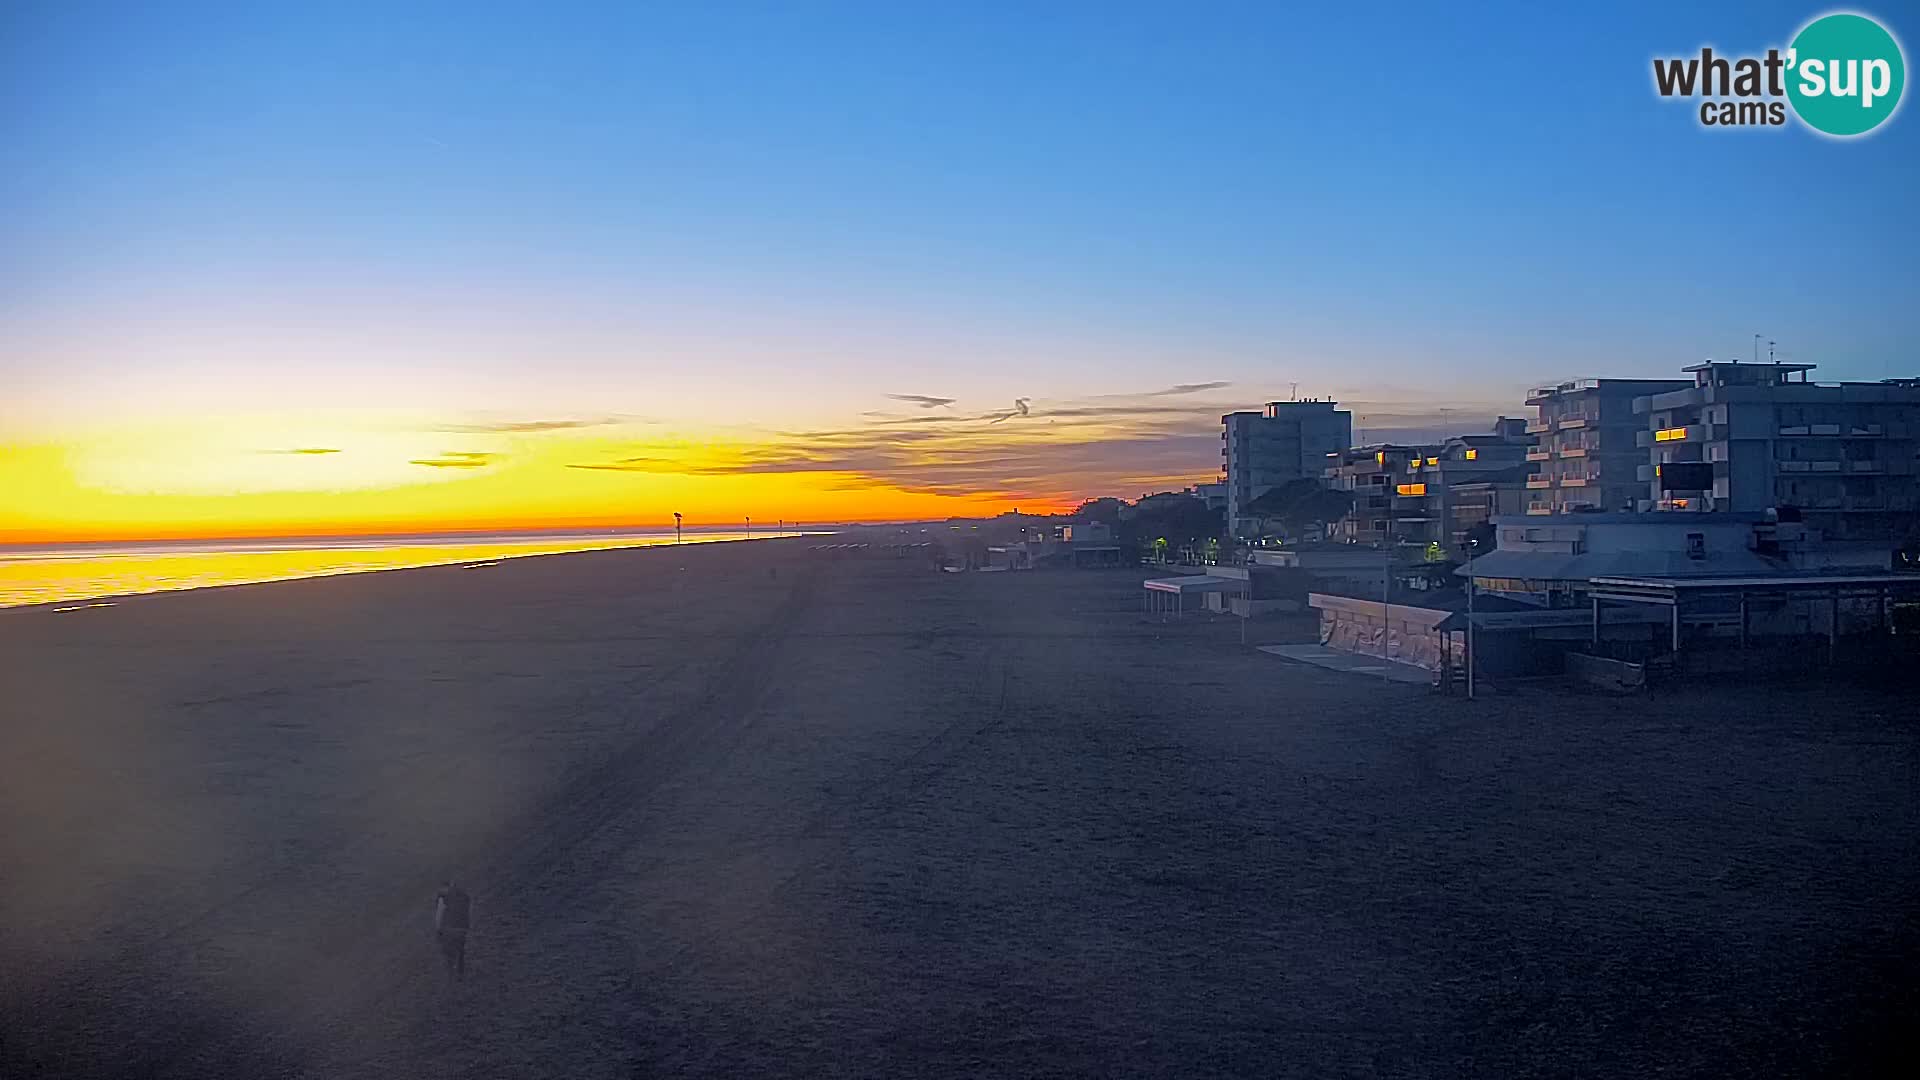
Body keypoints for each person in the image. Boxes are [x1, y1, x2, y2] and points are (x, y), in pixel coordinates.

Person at [434, 880, 471, 980]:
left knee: (448, 952)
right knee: (460, 949)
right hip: (463, 927)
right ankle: (460, 973)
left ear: (443, 887)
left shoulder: (443, 897)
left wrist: (438, 929)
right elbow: (467, 910)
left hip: (449, 927)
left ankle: (451, 974)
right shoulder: (463, 895)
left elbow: (439, 913)